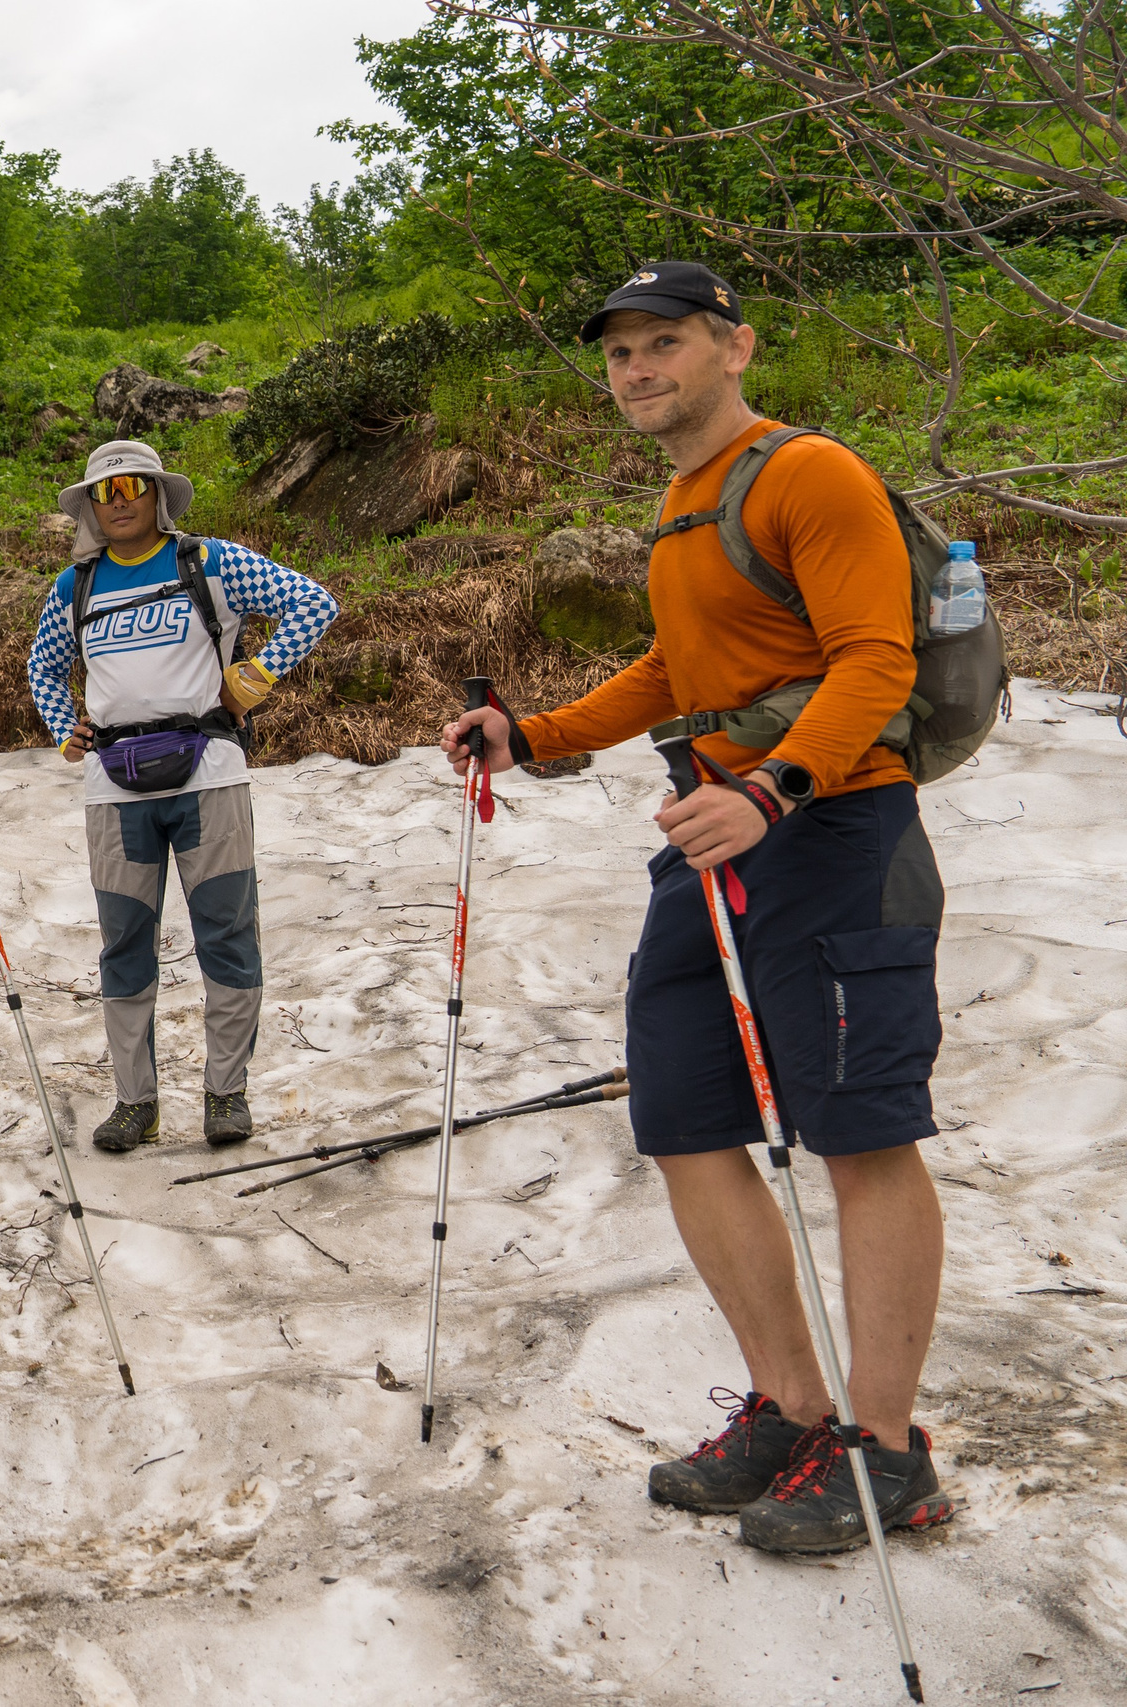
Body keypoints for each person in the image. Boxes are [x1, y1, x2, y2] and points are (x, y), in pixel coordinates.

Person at [442, 259, 953, 1553]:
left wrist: (775, 790)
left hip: (833, 830)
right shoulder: (685, 504)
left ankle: (889, 1450)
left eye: (662, 342)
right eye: (618, 353)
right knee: (683, 1118)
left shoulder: (807, 474)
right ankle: (792, 1409)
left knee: (860, 1132)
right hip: (716, 841)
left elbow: (875, 661)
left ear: (735, 347)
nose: (636, 369)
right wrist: (534, 735)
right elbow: (679, 670)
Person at [24, 440, 338, 1154]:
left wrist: (258, 673)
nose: (119, 501)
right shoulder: (74, 586)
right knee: (123, 944)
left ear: (158, 492)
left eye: (133, 486)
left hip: (210, 774)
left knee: (226, 934)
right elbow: (44, 664)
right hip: (113, 787)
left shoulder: (210, 561)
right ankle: (135, 1103)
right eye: (104, 492)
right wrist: (63, 726)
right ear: (89, 507)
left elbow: (313, 603)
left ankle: (226, 1093)